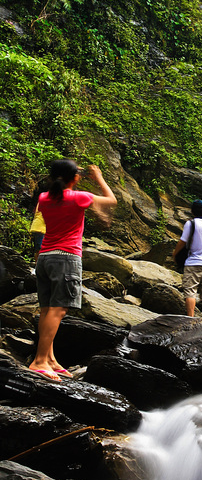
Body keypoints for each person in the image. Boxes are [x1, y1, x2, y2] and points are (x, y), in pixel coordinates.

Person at [29, 160, 117, 381]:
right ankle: (39, 361)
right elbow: (111, 200)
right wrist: (98, 178)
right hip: (66, 258)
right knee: (58, 310)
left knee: (46, 308)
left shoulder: (43, 198)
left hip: (45, 258)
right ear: (75, 178)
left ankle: (49, 359)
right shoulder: (79, 197)